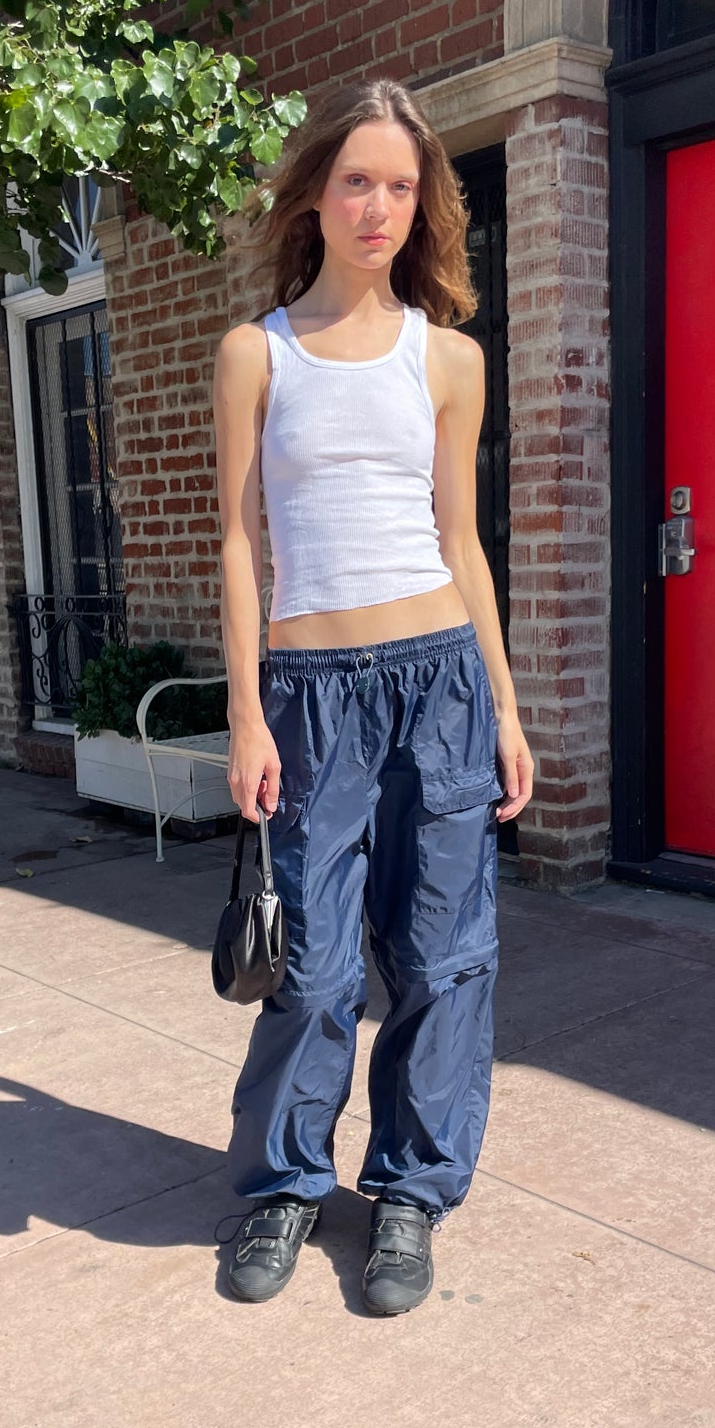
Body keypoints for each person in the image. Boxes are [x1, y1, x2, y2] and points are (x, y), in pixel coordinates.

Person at [212, 79, 534, 1315]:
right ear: (315, 192)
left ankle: (409, 1190)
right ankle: (284, 1185)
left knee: (446, 954)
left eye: (402, 186)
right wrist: (245, 712)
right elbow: (240, 539)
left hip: (439, 682)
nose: (379, 206)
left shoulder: (448, 359)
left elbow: (461, 536)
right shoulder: (257, 352)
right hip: (306, 691)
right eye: (358, 180)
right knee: (313, 965)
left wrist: (502, 709)